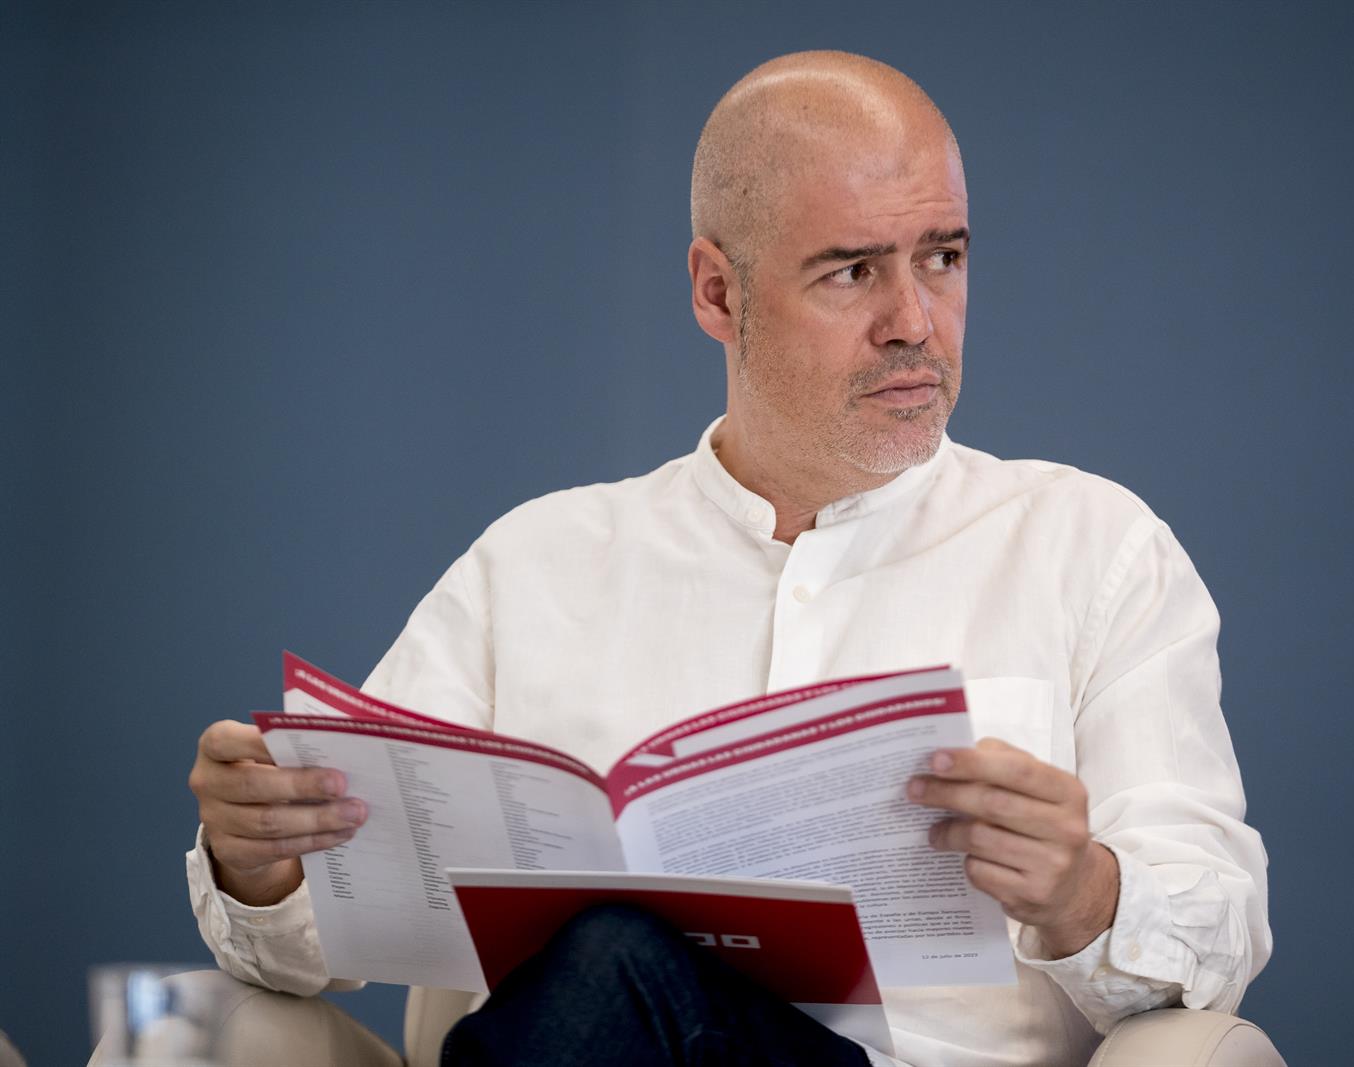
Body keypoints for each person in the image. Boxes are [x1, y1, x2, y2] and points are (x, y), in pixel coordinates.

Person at [186, 50, 1270, 1067]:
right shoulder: (536, 566)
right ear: (718, 292)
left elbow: (1218, 938)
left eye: (942, 257)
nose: (914, 321)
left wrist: (1082, 891)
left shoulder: (1093, 548)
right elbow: (313, 939)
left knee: (614, 950)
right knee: (598, 957)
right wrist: (260, 862)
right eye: (852, 271)